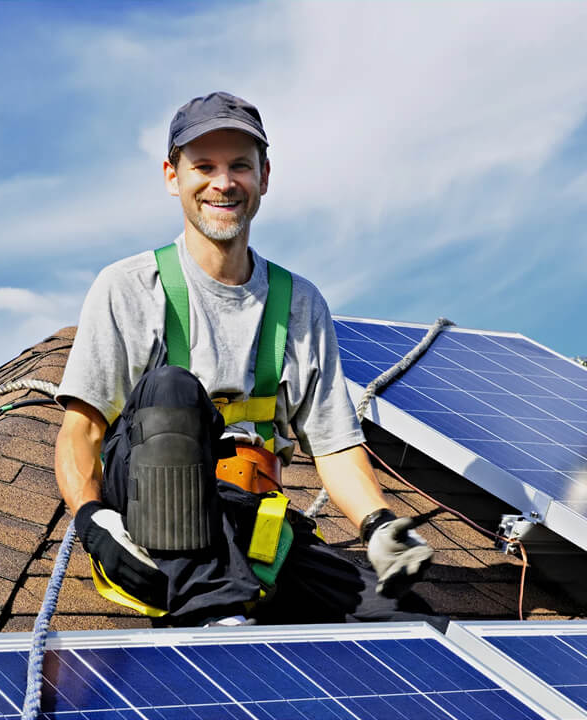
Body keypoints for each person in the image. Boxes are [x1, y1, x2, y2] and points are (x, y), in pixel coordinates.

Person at [55, 91, 441, 629]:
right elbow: (82, 431)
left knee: (411, 631)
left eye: (240, 165)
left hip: (255, 520)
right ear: (173, 176)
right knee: (170, 388)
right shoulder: (129, 287)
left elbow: (335, 445)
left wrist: (377, 524)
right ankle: (214, 613)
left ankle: (238, 592)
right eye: (204, 166)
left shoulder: (299, 302)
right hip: (158, 518)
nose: (223, 182)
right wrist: (93, 519)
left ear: (264, 176)